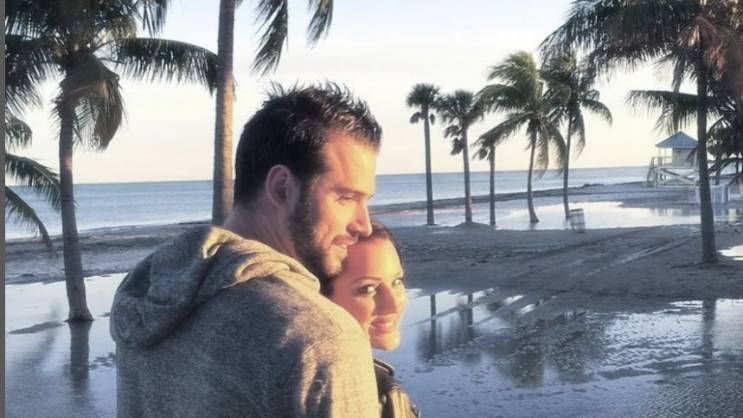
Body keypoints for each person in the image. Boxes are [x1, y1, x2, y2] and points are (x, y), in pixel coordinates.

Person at [110, 84, 383, 417]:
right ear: (282, 187)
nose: (364, 225)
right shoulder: (321, 337)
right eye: (346, 198)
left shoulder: (147, 297)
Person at [322, 222, 421, 418]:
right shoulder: (371, 399)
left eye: (397, 281)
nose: (393, 305)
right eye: (368, 289)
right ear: (321, 297)